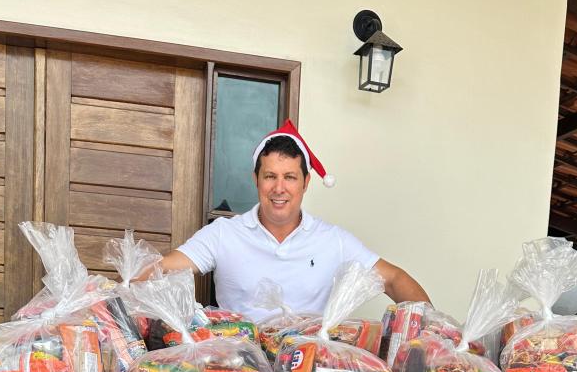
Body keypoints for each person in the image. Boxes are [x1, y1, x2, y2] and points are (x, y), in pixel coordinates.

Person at [154, 119, 431, 319]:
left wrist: (433, 331)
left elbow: (394, 279)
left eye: (290, 177)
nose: (279, 188)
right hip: (239, 370)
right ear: (256, 180)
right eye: (270, 176)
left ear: (305, 182)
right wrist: (128, 279)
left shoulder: (333, 240)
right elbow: (163, 267)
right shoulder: (224, 233)